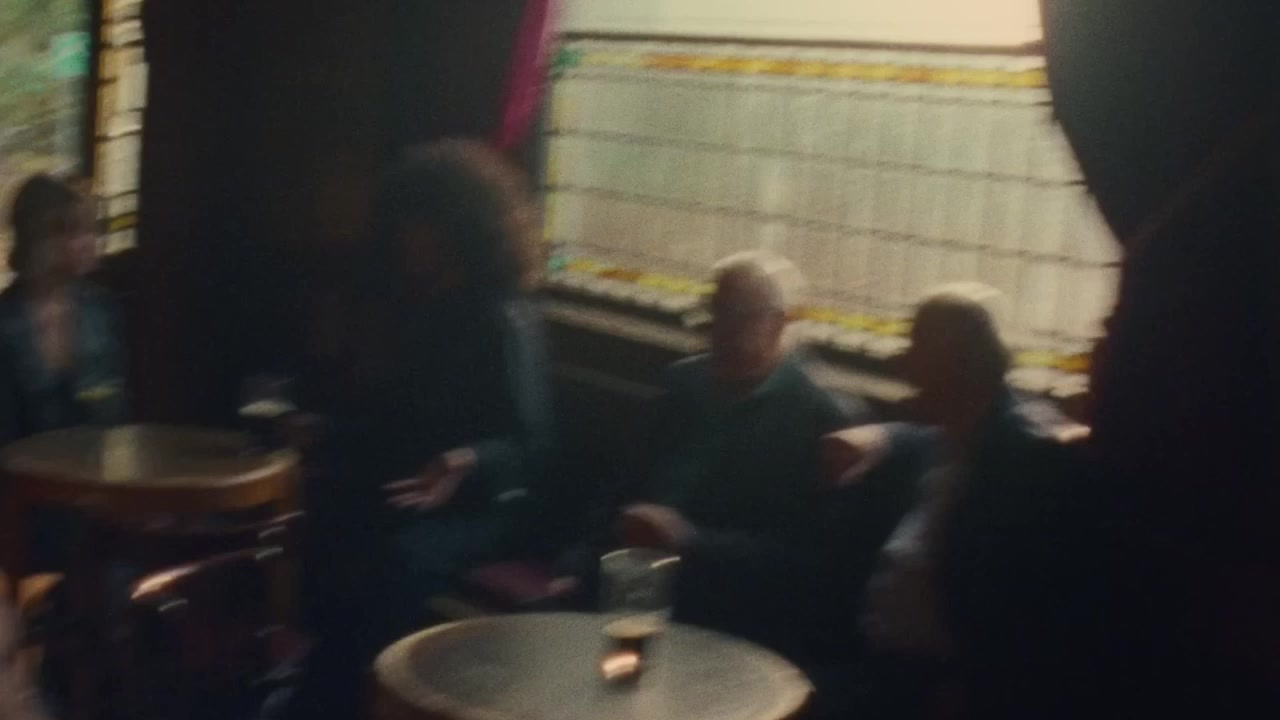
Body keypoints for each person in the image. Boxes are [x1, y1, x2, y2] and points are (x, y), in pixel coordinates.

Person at [291, 140, 553, 719]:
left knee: (395, 561)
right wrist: (324, 431)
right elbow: (396, 420)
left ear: (458, 230)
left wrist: (466, 460)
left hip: (487, 507)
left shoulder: (504, 318)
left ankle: (364, 699)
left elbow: (530, 446)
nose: (407, 239)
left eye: (421, 225)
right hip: (418, 488)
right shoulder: (428, 308)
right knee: (333, 522)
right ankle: (325, 695)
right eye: (405, 224)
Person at [846, 283, 1109, 720]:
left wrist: (966, 685)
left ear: (961, 363)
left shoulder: (1022, 463)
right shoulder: (944, 435)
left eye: (919, 347)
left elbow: (1020, 610)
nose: (903, 363)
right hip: (884, 666)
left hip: (947, 687)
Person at [614, 251, 870, 659]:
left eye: (736, 317)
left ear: (779, 324)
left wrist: (693, 542)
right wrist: (579, 563)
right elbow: (624, 485)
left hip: (732, 607)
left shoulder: (822, 417)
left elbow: (808, 561)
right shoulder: (682, 383)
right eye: (714, 314)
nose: (718, 332)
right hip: (638, 582)